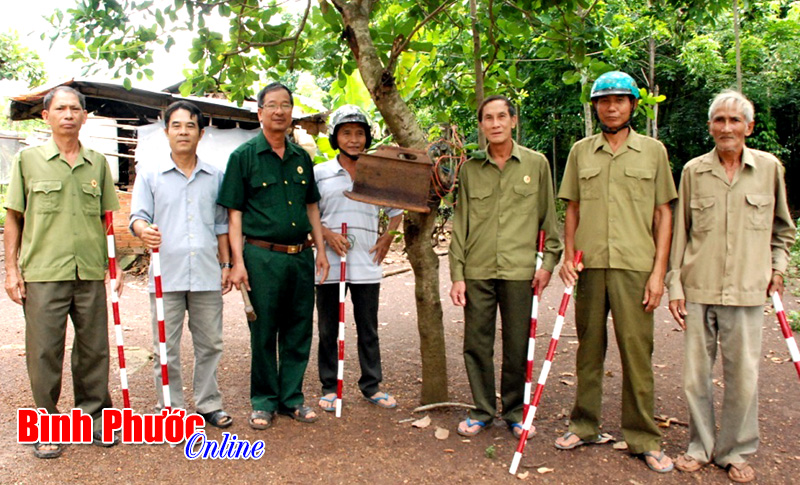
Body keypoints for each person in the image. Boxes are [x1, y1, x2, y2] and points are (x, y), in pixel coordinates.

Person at [666, 90, 795, 483]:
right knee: (694, 377)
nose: (726, 128)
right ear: (710, 127)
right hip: (699, 287)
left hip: (747, 289)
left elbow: (783, 229)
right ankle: (699, 447)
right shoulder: (693, 171)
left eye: (734, 121)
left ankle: (735, 450)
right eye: (719, 121)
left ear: (749, 127)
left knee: (744, 376)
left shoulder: (770, 169)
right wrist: (675, 286)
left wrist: (778, 267)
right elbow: (680, 235)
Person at [556, 71, 677, 473]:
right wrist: (567, 256)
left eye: (619, 101)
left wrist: (659, 272)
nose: (611, 107)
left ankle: (643, 437)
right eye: (604, 101)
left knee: (637, 354)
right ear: (595, 106)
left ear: (633, 107)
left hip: (635, 267)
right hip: (589, 267)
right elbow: (571, 208)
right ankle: (584, 425)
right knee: (588, 350)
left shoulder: (653, 151)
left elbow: (664, 213)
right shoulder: (580, 152)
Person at [4, 86, 121, 458]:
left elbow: (107, 220)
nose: (68, 115)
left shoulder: (97, 163)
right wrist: (11, 270)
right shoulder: (28, 160)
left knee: (93, 349)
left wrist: (113, 267)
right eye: (61, 109)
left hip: (89, 271)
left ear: (84, 117)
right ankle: (47, 424)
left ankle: (95, 417)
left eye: (75, 109)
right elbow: (14, 218)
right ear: (46, 116)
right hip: (42, 272)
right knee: (44, 352)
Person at [449, 95, 562, 439]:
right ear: (481, 125)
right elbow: (461, 223)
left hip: (520, 272)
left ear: (513, 120)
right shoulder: (470, 170)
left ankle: (515, 411)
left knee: (518, 345)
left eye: (502, 117)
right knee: (476, 343)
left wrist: (549, 264)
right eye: (488, 118)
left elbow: (549, 219)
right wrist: (457, 274)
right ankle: (482, 409)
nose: (495, 124)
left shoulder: (536, 164)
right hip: (478, 270)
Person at [217, 82, 329, 429]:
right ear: (260, 112)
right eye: (272, 105)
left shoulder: (301, 158)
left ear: (291, 111)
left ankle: (292, 399)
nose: (279, 111)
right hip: (261, 257)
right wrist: (237, 263)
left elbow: (311, 206)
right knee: (263, 330)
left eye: (285, 105)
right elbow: (233, 215)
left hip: (299, 257)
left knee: (299, 328)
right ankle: (263, 401)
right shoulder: (244, 157)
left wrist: (321, 250)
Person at [129, 100, 233, 428]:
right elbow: (137, 218)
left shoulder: (216, 176)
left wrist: (227, 263)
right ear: (166, 132)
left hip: (205, 273)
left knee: (210, 344)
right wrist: (144, 231)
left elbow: (221, 225)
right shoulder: (150, 175)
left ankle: (208, 403)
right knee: (165, 345)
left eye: (190, 126)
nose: (183, 131)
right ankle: (171, 410)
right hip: (166, 275)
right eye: (176, 125)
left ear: (201, 133)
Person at [314, 105, 403, 412]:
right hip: (329, 263)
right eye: (346, 133)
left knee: (368, 327)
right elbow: (307, 212)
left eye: (359, 133)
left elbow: (395, 210)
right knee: (328, 327)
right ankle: (330, 386)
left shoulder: (377, 170)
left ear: (367, 137)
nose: (353, 139)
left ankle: (371, 385)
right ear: (335, 137)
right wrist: (326, 235)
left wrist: (387, 239)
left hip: (366, 262)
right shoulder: (320, 173)